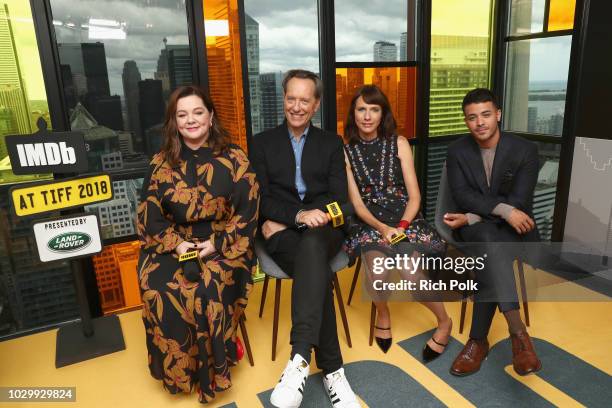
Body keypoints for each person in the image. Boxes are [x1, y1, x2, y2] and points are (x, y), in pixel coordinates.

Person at [136, 85, 260, 403]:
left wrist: (216, 243)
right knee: (158, 286)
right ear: (174, 122)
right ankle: (183, 374)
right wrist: (177, 245)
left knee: (209, 284)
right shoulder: (160, 162)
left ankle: (219, 361)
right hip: (174, 242)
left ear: (210, 116)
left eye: (197, 112)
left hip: (225, 241)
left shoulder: (235, 157)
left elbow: (248, 211)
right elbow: (148, 213)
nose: (191, 120)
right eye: (182, 115)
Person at [250, 69, 360, 408]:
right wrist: (298, 217)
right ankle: (333, 372)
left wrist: (289, 222)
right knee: (316, 268)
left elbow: (340, 200)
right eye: (291, 98)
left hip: (322, 231)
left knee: (313, 244)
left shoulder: (330, 143)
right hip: (283, 237)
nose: (296, 106)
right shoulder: (261, 143)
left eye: (304, 100)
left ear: (315, 105)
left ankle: (298, 359)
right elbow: (261, 200)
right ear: (284, 99)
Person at [342, 85, 451, 360]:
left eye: (374, 109)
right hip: (369, 223)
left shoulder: (399, 143)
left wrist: (399, 228)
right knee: (378, 276)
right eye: (361, 109)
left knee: (410, 274)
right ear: (353, 114)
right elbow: (357, 204)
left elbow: (415, 197)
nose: (367, 116)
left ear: (383, 114)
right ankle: (383, 313)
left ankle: (444, 321)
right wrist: (382, 229)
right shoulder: (345, 151)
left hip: (405, 220)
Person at [444, 88, 541, 376]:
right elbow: (462, 195)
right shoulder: (458, 151)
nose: (480, 123)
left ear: (497, 114)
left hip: (510, 230)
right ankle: (518, 333)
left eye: (486, 115)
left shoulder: (524, 150)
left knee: (489, 246)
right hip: (479, 232)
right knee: (488, 241)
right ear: (466, 121)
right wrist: (502, 210)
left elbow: (519, 203)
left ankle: (477, 341)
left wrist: (478, 215)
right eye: (472, 118)